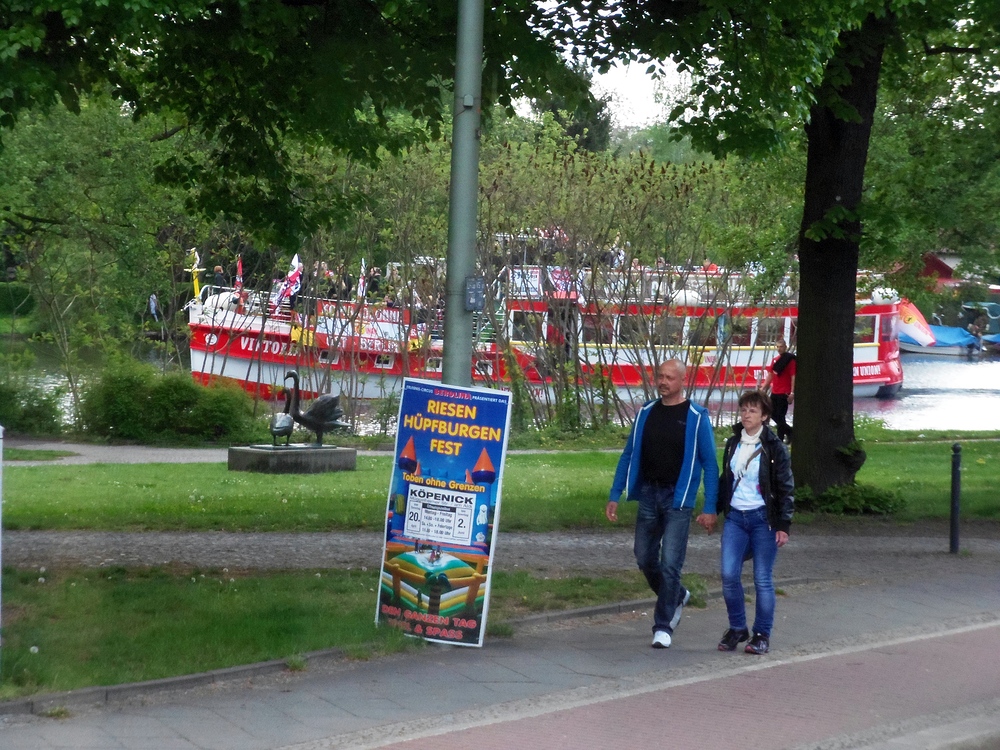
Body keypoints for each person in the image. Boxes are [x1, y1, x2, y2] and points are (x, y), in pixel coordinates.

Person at [607, 359, 719, 649]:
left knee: (671, 563)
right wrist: (615, 494)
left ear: (682, 381)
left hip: (678, 500)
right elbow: (628, 454)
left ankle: (663, 625)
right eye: (660, 376)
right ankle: (677, 595)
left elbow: (709, 464)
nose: (663, 382)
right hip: (648, 494)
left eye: (670, 377)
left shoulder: (696, 417)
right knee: (644, 557)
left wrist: (710, 507)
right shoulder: (646, 412)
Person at [697, 390, 793, 655]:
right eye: (743, 410)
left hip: (764, 519)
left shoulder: (774, 447)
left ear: (764, 416)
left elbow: (785, 487)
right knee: (729, 575)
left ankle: (762, 633)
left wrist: (783, 524)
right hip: (736, 518)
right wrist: (713, 510)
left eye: (752, 410)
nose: (746, 414)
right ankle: (737, 628)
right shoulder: (733, 444)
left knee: (762, 578)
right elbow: (726, 480)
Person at [761, 338, 795, 443]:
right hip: (775, 392)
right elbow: (770, 375)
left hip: (784, 392)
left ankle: (781, 439)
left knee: (781, 416)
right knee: (772, 414)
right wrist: (763, 387)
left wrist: (792, 393)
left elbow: (793, 376)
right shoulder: (775, 360)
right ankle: (790, 432)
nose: (779, 349)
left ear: (785, 347)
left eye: (781, 347)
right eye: (777, 347)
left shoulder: (790, 360)